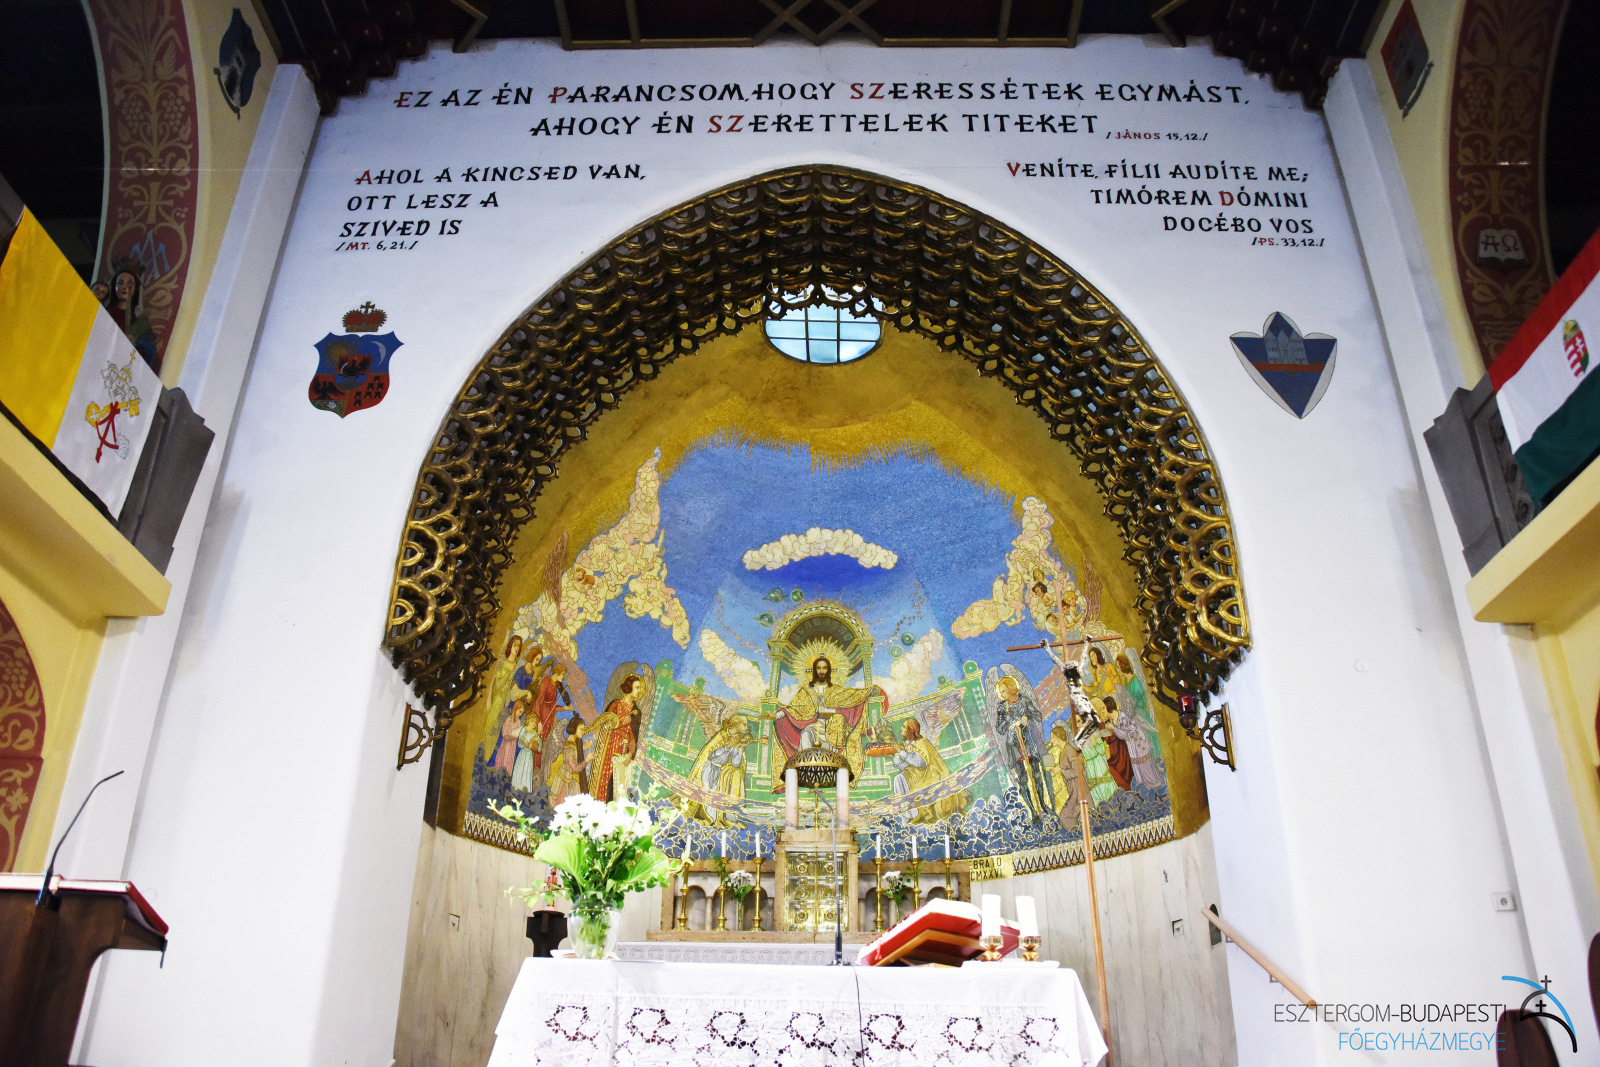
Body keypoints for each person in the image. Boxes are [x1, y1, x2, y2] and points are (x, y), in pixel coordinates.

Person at [992, 675, 1055, 823]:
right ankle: (1033, 811)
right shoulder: (1002, 707)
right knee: (1023, 779)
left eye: (1003, 690)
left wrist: (1027, 716)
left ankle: (1043, 805)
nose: (1002, 694)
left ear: (1011, 689)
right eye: (1000, 692)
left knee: (1037, 775)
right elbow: (1000, 729)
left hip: (1027, 743)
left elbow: (1038, 716)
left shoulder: (1024, 701)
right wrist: (1009, 719)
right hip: (1014, 746)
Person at [889, 718, 970, 824]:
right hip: (916, 775)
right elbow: (906, 767)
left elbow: (919, 763)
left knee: (900, 778)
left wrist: (900, 751)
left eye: (904, 726)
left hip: (928, 775)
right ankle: (906, 813)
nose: (901, 728)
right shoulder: (906, 744)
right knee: (898, 778)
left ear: (910, 730)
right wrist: (894, 757)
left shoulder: (922, 743)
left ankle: (912, 813)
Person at [681, 715, 751, 827]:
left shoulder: (736, 738)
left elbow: (735, 763)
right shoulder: (721, 735)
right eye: (744, 724)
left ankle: (715, 820)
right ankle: (708, 820)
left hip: (719, 771)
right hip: (708, 767)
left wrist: (741, 748)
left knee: (715, 797)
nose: (746, 728)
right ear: (737, 724)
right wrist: (728, 746)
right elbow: (712, 755)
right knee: (708, 794)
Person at [586, 673, 643, 802]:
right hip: (609, 746)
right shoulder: (616, 704)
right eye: (637, 687)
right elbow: (605, 725)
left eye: (640, 688)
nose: (639, 691)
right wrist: (621, 723)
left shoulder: (636, 712)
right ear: (629, 687)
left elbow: (634, 736)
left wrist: (631, 753)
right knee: (604, 777)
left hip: (623, 751)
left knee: (616, 781)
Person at [102, 264, 159, 372]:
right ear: (114, 286)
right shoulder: (105, 312)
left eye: (129, 284)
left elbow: (149, 350)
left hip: (121, 366)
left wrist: (135, 343)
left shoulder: (140, 321)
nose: (124, 287)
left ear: (135, 289)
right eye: (120, 282)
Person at [480, 635, 523, 762]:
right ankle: (485, 756)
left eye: (519, 646)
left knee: (499, 730)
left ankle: (490, 758)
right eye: (514, 645)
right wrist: (509, 672)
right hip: (499, 700)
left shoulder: (515, 665)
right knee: (493, 726)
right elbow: (497, 685)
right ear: (510, 646)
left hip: (507, 701)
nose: (517, 648)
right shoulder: (506, 664)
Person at [1107, 693, 1163, 790]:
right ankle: (1149, 786)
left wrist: (1114, 728)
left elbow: (1125, 734)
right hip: (1132, 743)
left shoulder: (1122, 716)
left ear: (1109, 707)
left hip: (1138, 741)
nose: (1102, 711)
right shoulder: (1112, 720)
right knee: (1140, 766)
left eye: (1103, 708)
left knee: (1145, 764)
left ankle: (1155, 784)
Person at [546, 716, 592, 805]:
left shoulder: (570, 743)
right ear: (574, 729)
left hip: (566, 778)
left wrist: (584, 747)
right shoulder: (570, 747)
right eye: (581, 729)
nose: (583, 732)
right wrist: (587, 760)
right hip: (564, 783)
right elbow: (576, 769)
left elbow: (572, 752)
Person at [493, 696, 530, 776]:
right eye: (519, 711)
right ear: (515, 709)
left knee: (509, 760)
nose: (520, 714)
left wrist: (518, 734)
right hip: (506, 744)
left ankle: (506, 776)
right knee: (503, 759)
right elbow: (504, 733)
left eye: (521, 713)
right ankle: (499, 775)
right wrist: (511, 735)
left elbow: (519, 733)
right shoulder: (508, 719)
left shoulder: (518, 722)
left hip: (512, 745)